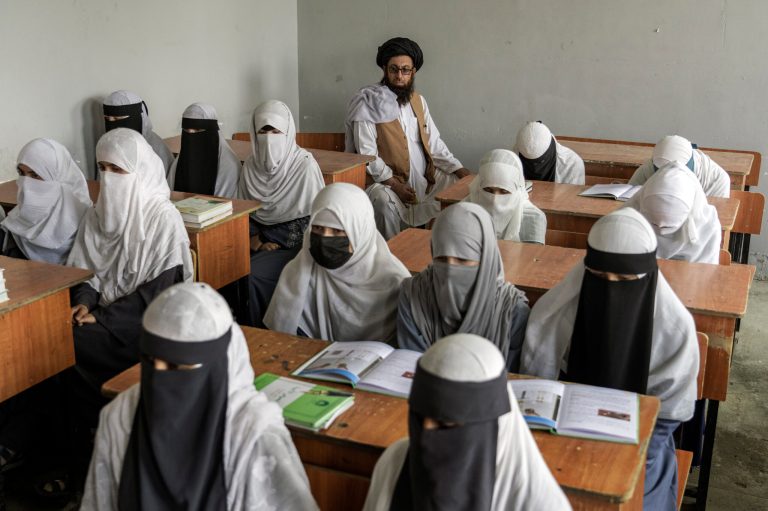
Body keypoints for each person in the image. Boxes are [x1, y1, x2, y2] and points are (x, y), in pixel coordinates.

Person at [80, 282, 318, 510]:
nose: (160, 376)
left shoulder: (251, 432)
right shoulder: (121, 415)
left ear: (217, 364)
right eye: (151, 362)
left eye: (177, 366)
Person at [521, 208, 699, 511]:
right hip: (559, 432)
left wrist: (620, 461)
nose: (611, 286)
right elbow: (538, 387)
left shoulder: (675, 329)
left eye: (625, 278)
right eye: (600, 277)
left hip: (642, 442)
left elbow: (667, 417)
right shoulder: (555, 312)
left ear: (646, 275)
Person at [66, 128, 193, 429]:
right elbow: (85, 269)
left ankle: (100, 425)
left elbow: (160, 293)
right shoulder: (98, 214)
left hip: (144, 323)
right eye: (102, 168)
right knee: (58, 340)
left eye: (118, 169)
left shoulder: (162, 219)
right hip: (101, 313)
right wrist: (84, 302)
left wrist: (103, 318)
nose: (108, 178)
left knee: (62, 347)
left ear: (139, 172)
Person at [362, 333, 571, 511]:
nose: (426, 431)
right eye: (419, 415)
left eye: (446, 424)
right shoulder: (394, 462)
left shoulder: (542, 505)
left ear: (489, 424)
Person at [345, 36, 472, 240]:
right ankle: (393, 257)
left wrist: (462, 171)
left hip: (424, 180)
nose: (399, 76)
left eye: (405, 70)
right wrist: (395, 185)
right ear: (384, 70)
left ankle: (437, 248)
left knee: (465, 188)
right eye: (394, 69)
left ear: (413, 72)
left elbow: (434, 144)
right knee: (382, 200)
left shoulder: (419, 101)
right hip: (387, 183)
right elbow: (367, 156)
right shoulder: (367, 102)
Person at [264, 183, 409, 343]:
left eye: (337, 231)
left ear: (361, 232)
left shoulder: (395, 283)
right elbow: (282, 340)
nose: (325, 238)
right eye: (318, 229)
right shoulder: (298, 274)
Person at [397, 203, 530, 371]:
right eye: (442, 259)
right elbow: (411, 366)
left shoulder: (511, 310)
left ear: (485, 258)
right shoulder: (414, 295)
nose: (450, 270)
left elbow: (511, 379)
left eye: (463, 260)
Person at [238, 100, 325, 327]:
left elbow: (311, 219)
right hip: (255, 241)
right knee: (224, 265)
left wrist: (266, 238)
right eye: (263, 131)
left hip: (294, 243)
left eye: (276, 131)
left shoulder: (304, 166)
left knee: (251, 274)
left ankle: (263, 332)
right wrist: (254, 239)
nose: (269, 138)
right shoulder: (250, 166)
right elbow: (244, 210)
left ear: (288, 133)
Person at [0, 138, 92, 263]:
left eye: (35, 175)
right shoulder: (17, 221)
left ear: (57, 176)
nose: (26, 184)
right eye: (21, 173)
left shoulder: (86, 223)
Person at [623, 162, 721, 264]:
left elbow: (706, 274)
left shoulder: (707, 227)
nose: (660, 229)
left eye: (668, 227)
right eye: (653, 223)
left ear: (688, 214)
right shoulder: (626, 218)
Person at [467, 149, 546, 243]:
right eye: (488, 190)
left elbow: (532, 256)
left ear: (518, 188)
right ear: (478, 186)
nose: (495, 200)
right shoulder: (465, 212)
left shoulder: (532, 218)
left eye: (504, 191)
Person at [167, 102, 240, 197]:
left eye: (197, 130)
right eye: (186, 130)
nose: (191, 135)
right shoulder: (177, 164)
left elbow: (227, 204)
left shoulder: (228, 165)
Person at [628, 135, 730, 198]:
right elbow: (627, 200)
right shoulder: (648, 169)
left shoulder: (717, 179)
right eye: (659, 171)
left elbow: (715, 222)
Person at [102, 90, 174, 173]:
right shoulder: (107, 146)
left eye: (117, 119)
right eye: (107, 119)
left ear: (137, 118)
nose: (112, 125)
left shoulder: (156, 149)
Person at [514, 121, 584, 185]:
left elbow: (573, 197)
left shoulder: (572, 164)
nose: (535, 167)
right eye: (529, 162)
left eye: (539, 161)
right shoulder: (512, 159)